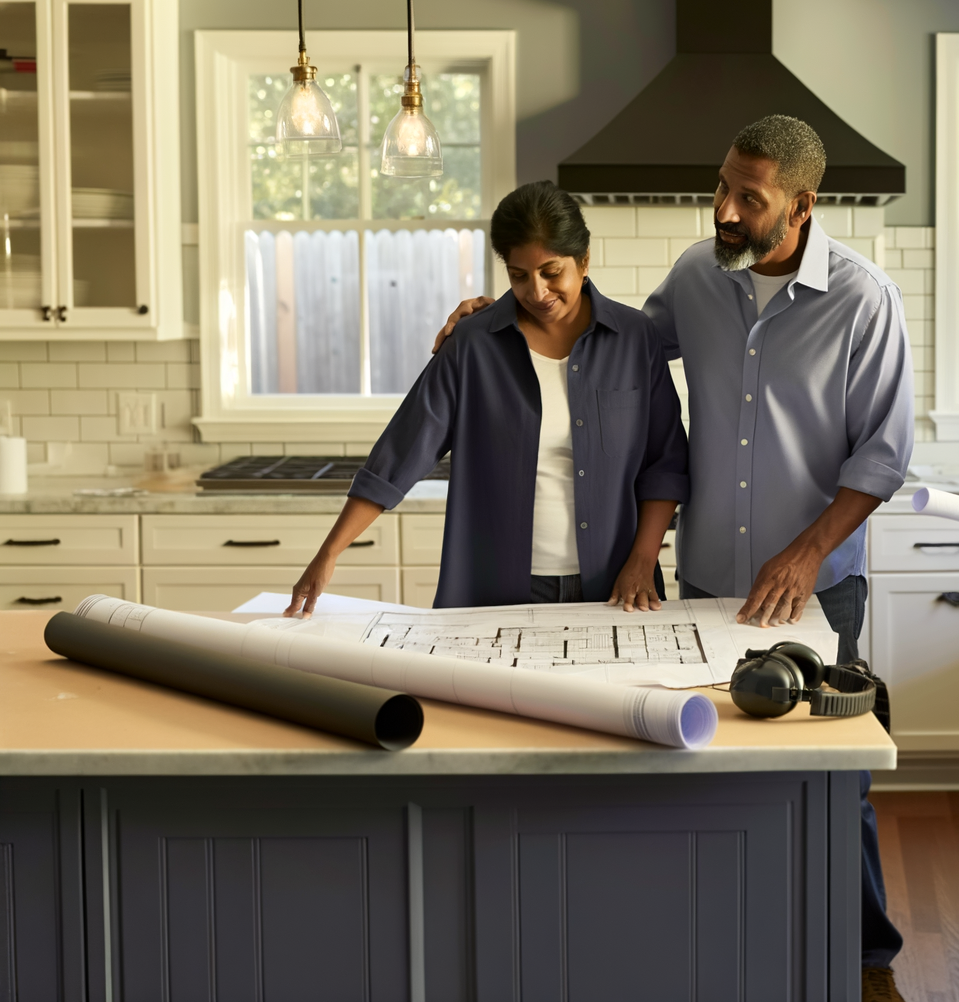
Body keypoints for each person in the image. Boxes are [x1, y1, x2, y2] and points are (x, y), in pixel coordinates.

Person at [432, 116, 915, 1002]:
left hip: (819, 591)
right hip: (704, 588)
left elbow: (881, 456)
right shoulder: (698, 274)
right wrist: (495, 320)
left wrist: (807, 553)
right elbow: (611, 343)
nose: (724, 210)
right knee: (707, 762)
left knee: (831, 774)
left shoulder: (865, 300)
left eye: (749, 198)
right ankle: (731, 928)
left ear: (802, 206)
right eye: (722, 186)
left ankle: (865, 953)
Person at [287, 180, 688, 615]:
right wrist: (329, 553)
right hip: (494, 593)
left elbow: (664, 462)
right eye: (519, 276)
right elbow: (400, 454)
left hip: (616, 587)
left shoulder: (634, 339)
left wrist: (644, 561)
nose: (537, 292)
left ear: (584, 260)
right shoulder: (473, 345)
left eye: (552, 272)